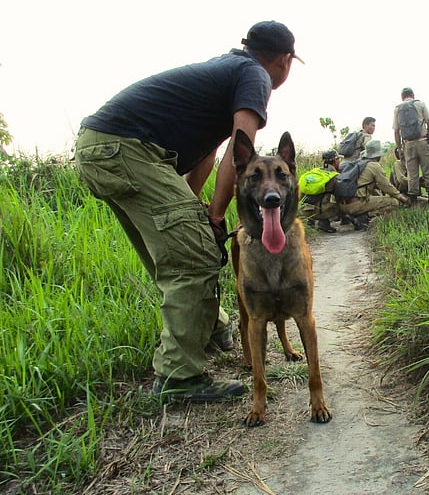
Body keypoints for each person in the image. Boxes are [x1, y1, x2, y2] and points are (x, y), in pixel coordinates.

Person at [72, 21, 302, 403]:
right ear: (285, 59)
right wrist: (215, 213)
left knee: (185, 245)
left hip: (105, 148)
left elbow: (209, 153)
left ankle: (211, 329)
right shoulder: (254, 74)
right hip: (126, 149)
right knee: (193, 257)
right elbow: (239, 153)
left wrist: (201, 213)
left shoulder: (227, 69)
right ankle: (178, 379)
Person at [339, 139, 409, 230]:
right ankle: (363, 217)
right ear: (378, 154)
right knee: (394, 203)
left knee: (375, 193)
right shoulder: (374, 166)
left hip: (342, 204)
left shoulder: (358, 163)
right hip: (356, 204)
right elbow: (386, 186)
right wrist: (400, 197)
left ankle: (351, 215)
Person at [392, 87, 429, 207]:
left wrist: (400, 149)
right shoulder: (420, 104)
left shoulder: (397, 109)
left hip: (408, 144)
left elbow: (396, 131)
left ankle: (414, 202)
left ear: (402, 97)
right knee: (428, 171)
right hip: (423, 141)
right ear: (413, 95)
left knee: (412, 174)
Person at [300, 149, 341, 233]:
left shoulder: (315, 171)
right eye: (338, 159)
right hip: (322, 212)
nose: (339, 162)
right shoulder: (334, 176)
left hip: (306, 211)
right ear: (335, 161)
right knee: (344, 202)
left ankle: (310, 221)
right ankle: (324, 222)